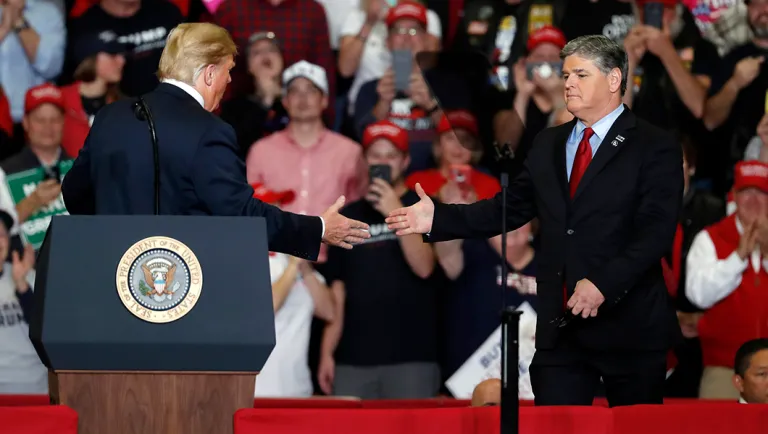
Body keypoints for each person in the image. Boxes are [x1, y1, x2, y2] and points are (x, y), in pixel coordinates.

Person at [386, 34, 684, 407]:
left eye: (580, 74)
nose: (568, 83)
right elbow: (508, 208)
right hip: (562, 329)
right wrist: (439, 218)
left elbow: (655, 231)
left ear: (613, 80)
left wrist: (604, 284)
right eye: (565, 74)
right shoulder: (548, 143)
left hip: (631, 326)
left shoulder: (655, 145)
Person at [61, 23, 370, 261]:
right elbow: (240, 216)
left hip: (110, 276)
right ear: (209, 74)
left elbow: (74, 193)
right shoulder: (209, 130)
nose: (230, 81)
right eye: (228, 71)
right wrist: (318, 228)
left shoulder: (110, 116)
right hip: (180, 291)